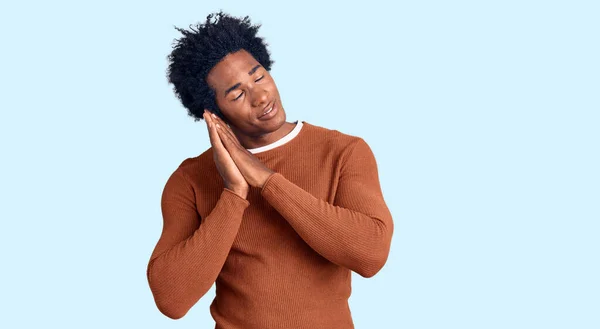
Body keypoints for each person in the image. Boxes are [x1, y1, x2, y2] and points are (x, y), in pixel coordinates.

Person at [146, 10, 394, 329]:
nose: (261, 96)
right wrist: (234, 193)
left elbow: (371, 255)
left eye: (259, 76)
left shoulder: (342, 151)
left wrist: (266, 180)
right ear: (213, 112)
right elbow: (172, 300)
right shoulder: (190, 179)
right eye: (237, 94)